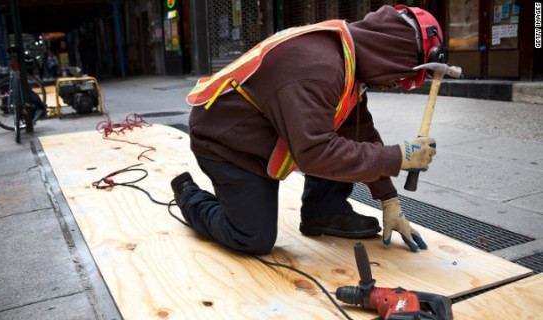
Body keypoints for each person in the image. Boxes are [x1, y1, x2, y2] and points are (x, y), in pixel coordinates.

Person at [172, 5, 445, 255]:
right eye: (403, 76)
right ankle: (188, 194)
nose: (398, 84)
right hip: (227, 142)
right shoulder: (317, 67)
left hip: (268, 133)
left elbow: (357, 130)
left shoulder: (348, 58)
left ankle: (322, 212)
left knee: (337, 138)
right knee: (253, 238)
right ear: (389, 55)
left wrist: (388, 198)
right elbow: (314, 153)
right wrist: (399, 157)